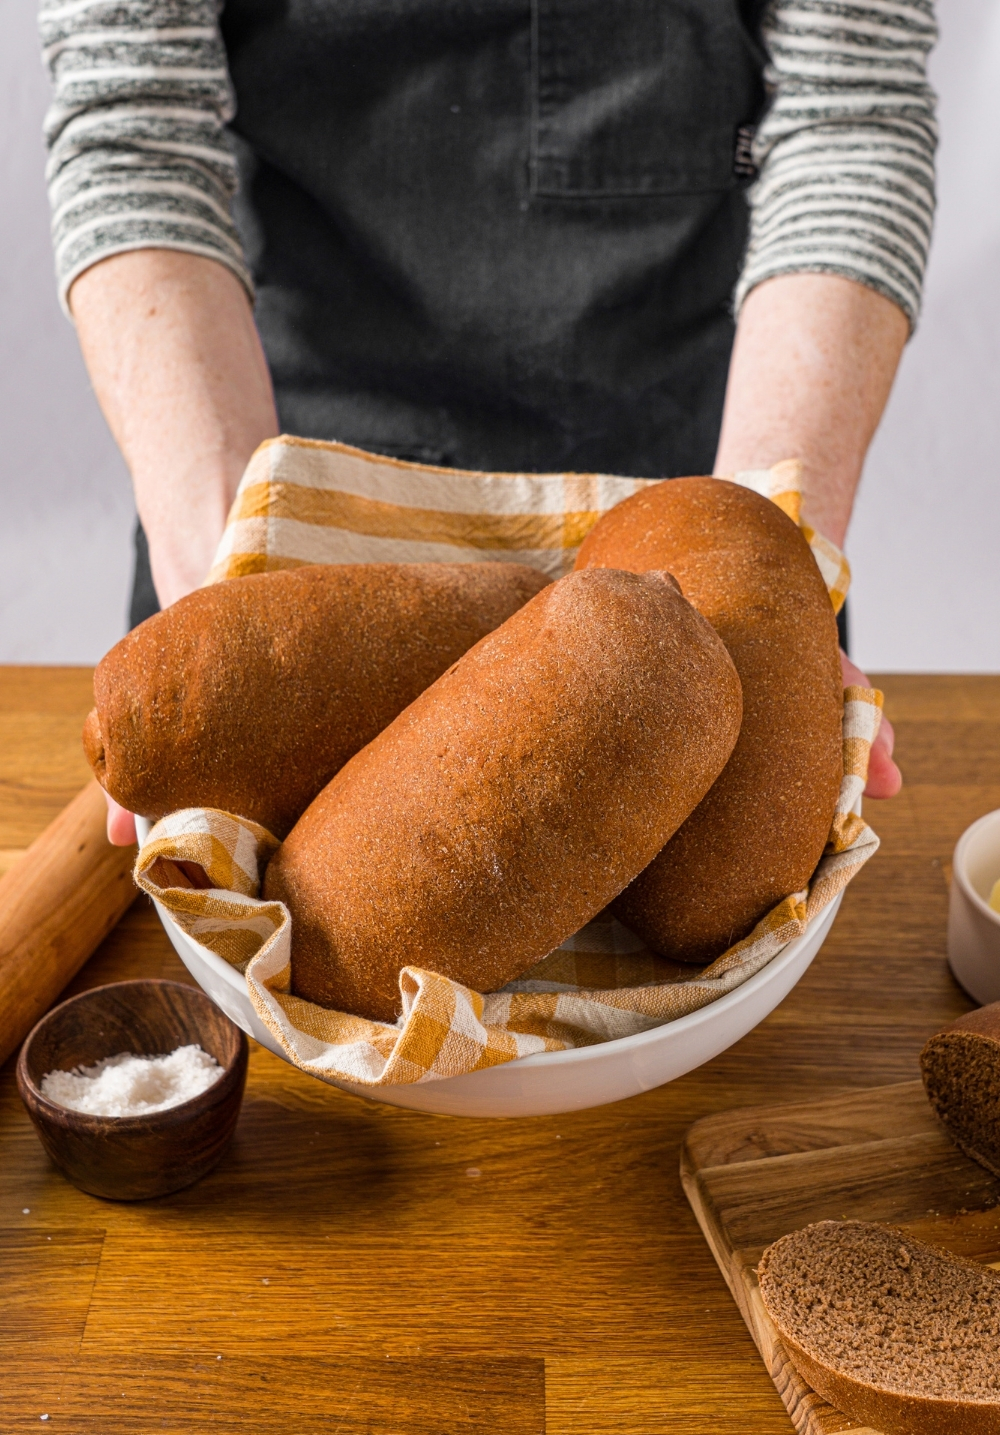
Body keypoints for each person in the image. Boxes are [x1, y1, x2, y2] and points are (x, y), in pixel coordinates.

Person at [42, 0, 934, 839]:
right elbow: (134, 120)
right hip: (276, 502)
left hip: (691, 494)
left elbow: (849, 113)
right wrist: (225, 582)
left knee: (726, 876)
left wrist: (768, 570)